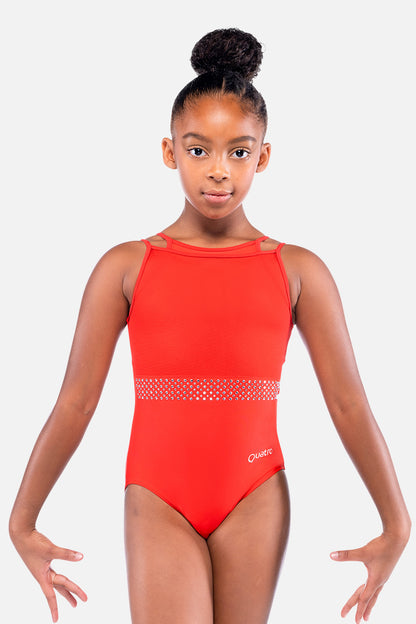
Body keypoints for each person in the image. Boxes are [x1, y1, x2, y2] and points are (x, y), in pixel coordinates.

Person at [9, 27, 411, 624]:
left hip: (256, 496)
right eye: (199, 151)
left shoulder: (298, 271)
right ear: (169, 151)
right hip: (158, 496)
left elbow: (348, 403)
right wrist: (21, 521)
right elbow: (76, 401)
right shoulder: (126, 267)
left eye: (238, 152)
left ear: (263, 156)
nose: (219, 171)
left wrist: (396, 524)